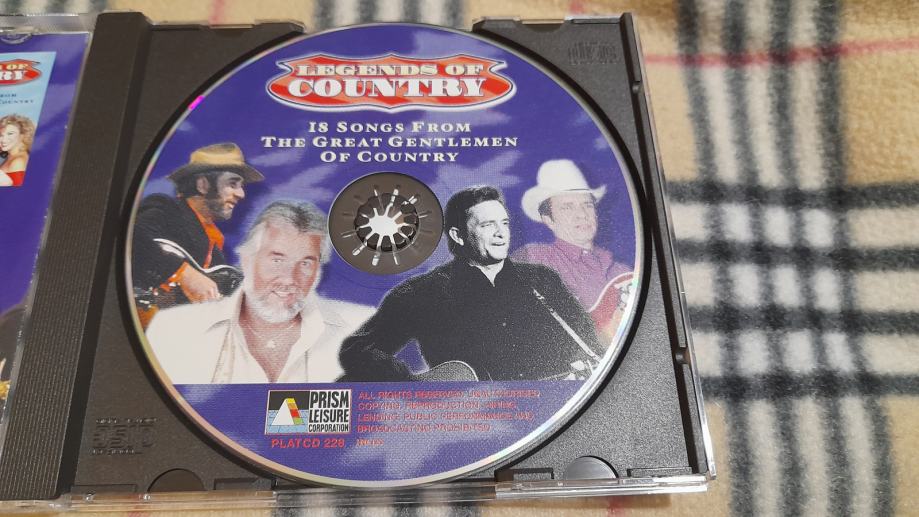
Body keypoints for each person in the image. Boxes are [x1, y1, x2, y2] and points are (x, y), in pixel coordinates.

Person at [339, 186, 602, 382]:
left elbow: (593, 348)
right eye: (487, 225)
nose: (501, 233)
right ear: (458, 235)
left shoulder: (543, 281)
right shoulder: (422, 293)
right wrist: (413, 388)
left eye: (504, 223)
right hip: (467, 425)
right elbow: (356, 350)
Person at [146, 201, 373, 384]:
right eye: (277, 260)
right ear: (246, 260)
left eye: (305, 263)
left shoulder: (364, 327)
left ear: (318, 271)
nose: (289, 278)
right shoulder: (171, 330)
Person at [132, 143, 263, 318]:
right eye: (233, 184)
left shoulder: (217, 257)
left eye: (241, 186)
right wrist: (183, 274)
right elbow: (130, 240)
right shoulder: (166, 209)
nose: (241, 194)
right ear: (203, 185)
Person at [513, 159, 634, 336]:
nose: (582, 215)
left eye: (587, 205)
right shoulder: (534, 258)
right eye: (567, 207)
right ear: (548, 220)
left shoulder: (622, 272)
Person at [0, 114, 36, 187]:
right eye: (1, 135)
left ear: (23, 135)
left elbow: (18, 192)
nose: (3, 140)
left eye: (10, 134)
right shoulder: (11, 156)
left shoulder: (18, 162)